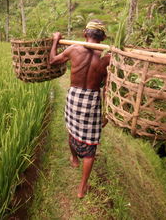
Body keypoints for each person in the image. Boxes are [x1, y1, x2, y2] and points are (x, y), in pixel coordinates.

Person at [49, 20, 110, 198]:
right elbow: (107, 87)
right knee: (90, 145)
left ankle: (75, 159)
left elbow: (52, 60)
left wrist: (56, 39)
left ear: (85, 34)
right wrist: (106, 113)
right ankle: (82, 188)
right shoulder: (107, 57)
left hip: (74, 96)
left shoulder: (74, 49)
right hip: (92, 98)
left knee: (72, 130)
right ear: (103, 38)